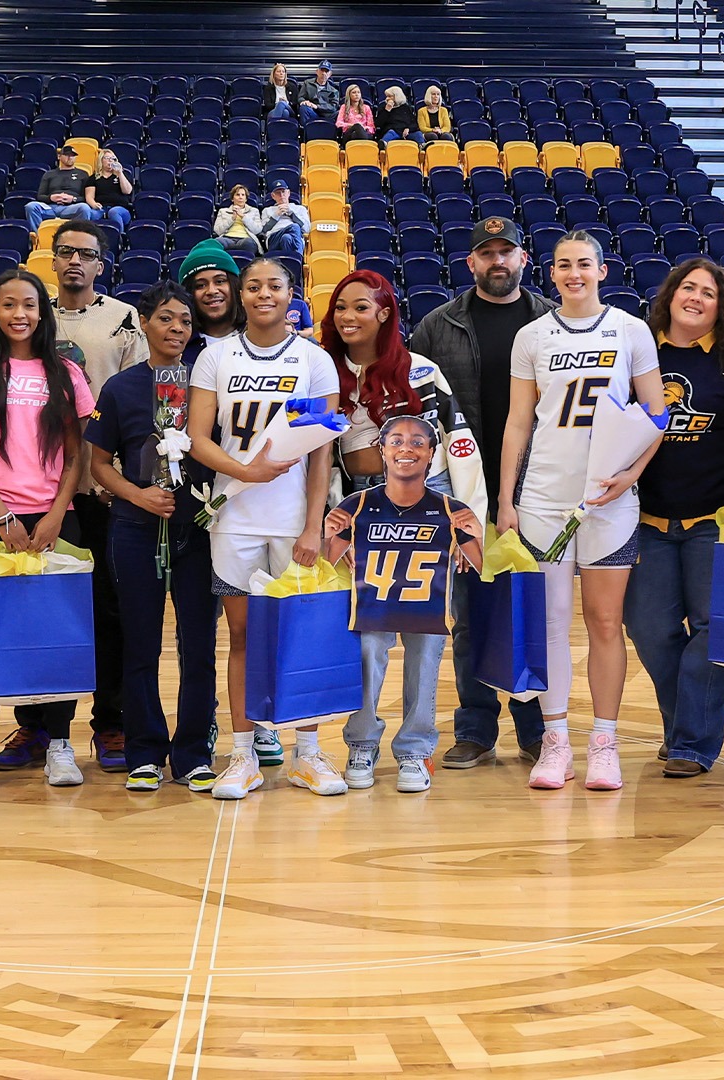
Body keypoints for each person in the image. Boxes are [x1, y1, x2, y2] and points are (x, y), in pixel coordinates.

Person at [498, 230, 664, 791]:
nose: (574, 273)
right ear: (551, 273)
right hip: (544, 496)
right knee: (550, 624)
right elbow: (519, 421)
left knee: (605, 622)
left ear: (602, 270)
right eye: (564, 265)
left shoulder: (631, 329)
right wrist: (505, 499)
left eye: (584, 264)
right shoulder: (532, 336)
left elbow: (656, 413)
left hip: (610, 499)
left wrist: (632, 476)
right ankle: (555, 742)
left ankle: (605, 741)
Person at [186, 256, 344, 799]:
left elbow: (323, 453)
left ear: (290, 293)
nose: (262, 295)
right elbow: (199, 438)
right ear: (240, 295)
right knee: (243, 635)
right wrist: (245, 471)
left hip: (293, 519)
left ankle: (309, 752)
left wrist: (313, 524)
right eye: (252, 287)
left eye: (273, 286)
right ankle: (243, 754)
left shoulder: (315, 360)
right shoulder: (215, 357)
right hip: (234, 517)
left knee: (302, 635)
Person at [0, 220, 145, 776]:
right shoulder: (31, 316)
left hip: (104, 492)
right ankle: (35, 727)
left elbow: (139, 404)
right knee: (36, 614)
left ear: (102, 264)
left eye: (86, 254)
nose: (75, 261)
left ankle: (111, 720)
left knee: (108, 611)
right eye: (65, 253)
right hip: (40, 493)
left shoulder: (124, 319)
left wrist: (121, 480)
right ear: (51, 261)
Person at [0, 269, 98, 791]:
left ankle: (58, 744)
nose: (19, 314)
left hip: (57, 518)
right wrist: (3, 513)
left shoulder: (66, 371)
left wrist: (56, 512)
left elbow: (79, 453)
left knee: (57, 635)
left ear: (42, 310)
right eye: (8, 304)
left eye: (29, 304)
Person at [411, 216, 553, 768]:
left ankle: (537, 728)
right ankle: (474, 728)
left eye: (506, 252)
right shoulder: (438, 326)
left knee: (528, 612)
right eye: (486, 253)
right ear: (470, 263)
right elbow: (414, 405)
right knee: (469, 616)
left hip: (537, 492)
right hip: (464, 493)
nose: (497, 261)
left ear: (522, 260)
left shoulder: (551, 321)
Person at [85, 282, 220, 792]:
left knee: (198, 645)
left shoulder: (207, 385)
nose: (177, 329)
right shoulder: (120, 388)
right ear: (144, 323)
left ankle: (192, 752)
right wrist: (138, 497)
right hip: (136, 529)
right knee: (140, 643)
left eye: (185, 321)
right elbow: (99, 465)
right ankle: (144, 750)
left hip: (198, 532)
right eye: (166, 318)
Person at [623, 259, 724, 779]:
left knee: (712, 630)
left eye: (709, 292)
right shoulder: (637, 348)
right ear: (670, 293)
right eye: (688, 287)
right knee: (649, 627)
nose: (696, 298)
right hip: (647, 519)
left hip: (720, 516)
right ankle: (683, 724)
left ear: (722, 306)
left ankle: (691, 744)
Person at [325, 414, 484, 793]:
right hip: (372, 606)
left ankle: (415, 749)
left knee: (424, 663)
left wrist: (472, 538)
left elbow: (479, 565)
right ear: (381, 450)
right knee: (366, 659)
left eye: (417, 442)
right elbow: (327, 561)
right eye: (395, 441)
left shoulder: (451, 508)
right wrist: (333, 538)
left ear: (432, 454)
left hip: (425, 607)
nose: (406, 449)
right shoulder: (355, 504)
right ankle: (362, 745)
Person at [326, 269, 483, 512]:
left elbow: (458, 438)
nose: (347, 317)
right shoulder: (324, 374)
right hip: (357, 494)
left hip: (429, 486)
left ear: (384, 314)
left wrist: (471, 512)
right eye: (340, 308)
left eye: (360, 308)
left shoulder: (421, 369)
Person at [180, 240, 244, 357]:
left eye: (219, 281)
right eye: (200, 285)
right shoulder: (177, 344)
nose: (211, 291)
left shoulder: (259, 338)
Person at [24, 143, 94, 234]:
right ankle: (38, 236)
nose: (70, 158)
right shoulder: (49, 174)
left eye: (73, 156)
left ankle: (79, 235)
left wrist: (73, 199)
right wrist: (51, 198)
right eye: (67, 155)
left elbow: (86, 197)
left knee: (84, 208)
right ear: (59, 156)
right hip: (51, 207)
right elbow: (40, 196)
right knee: (31, 206)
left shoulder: (83, 174)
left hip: (71, 206)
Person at [258, 180, 309, 259]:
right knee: (294, 227)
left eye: (283, 192)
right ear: (273, 196)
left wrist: (292, 214)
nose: (281, 195)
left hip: (292, 239)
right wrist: (276, 215)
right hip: (274, 238)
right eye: (278, 193)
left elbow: (306, 229)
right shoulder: (267, 210)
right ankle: (299, 257)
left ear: (288, 193)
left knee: (286, 238)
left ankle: (289, 262)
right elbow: (263, 230)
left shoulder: (299, 209)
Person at [87, 149, 133, 235]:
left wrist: (120, 174)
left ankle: (119, 237)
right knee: (91, 214)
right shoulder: (93, 178)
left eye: (113, 158)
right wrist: (94, 204)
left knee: (114, 212)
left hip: (120, 208)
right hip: (101, 207)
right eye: (107, 158)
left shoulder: (123, 175)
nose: (110, 161)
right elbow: (89, 196)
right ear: (101, 160)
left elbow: (127, 191)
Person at [213, 185, 264, 256]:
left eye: (243, 195)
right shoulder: (223, 211)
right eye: (237, 195)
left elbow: (257, 230)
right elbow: (217, 231)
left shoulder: (254, 211)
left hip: (245, 238)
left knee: (249, 243)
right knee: (217, 242)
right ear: (232, 199)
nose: (240, 197)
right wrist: (232, 219)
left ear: (246, 199)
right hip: (227, 238)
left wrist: (243, 217)